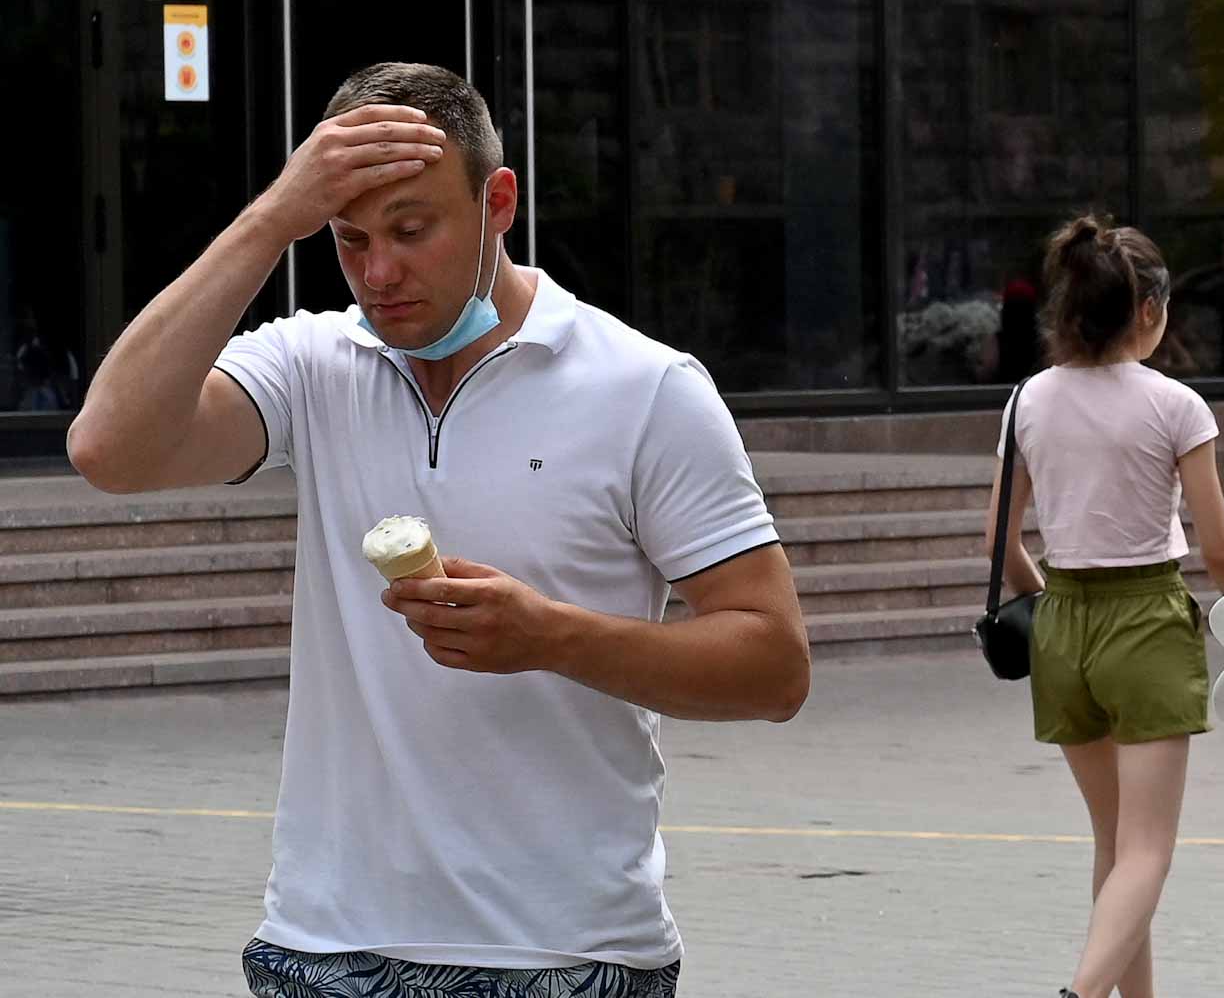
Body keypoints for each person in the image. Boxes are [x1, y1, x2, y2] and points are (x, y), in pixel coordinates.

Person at [66, 63, 810, 997]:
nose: (380, 274)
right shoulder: (313, 364)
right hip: (324, 945)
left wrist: (551, 635)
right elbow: (109, 448)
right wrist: (270, 220)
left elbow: (775, 665)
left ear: (498, 201)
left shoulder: (646, 388)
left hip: (563, 954)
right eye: (348, 239)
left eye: (413, 231)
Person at [986, 215, 1224, 998]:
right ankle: (1080, 995)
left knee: (1114, 840)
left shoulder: (1027, 400)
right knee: (1149, 849)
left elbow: (998, 547)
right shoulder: (1175, 406)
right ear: (1150, 310)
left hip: (1062, 624)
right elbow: (1221, 550)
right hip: (1146, 623)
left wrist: (1050, 602)